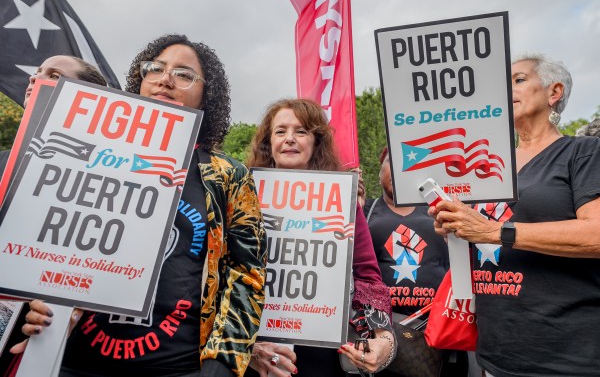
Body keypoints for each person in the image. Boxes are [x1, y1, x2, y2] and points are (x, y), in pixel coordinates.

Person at [14, 34, 267, 377]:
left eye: (183, 74)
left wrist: (223, 362)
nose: (165, 79)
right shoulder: (87, 151)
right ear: (139, 80)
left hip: (179, 368)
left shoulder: (229, 176)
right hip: (74, 361)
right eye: (156, 69)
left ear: (207, 94)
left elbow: (247, 274)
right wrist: (34, 305)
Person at [429, 53, 600, 377]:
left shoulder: (584, 152)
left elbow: (597, 235)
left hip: (566, 358)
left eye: (519, 80)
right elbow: (475, 232)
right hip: (495, 356)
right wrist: (454, 224)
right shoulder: (487, 165)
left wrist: (496, 232)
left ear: (554, 92)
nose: (505, 90)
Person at [245, 98, 395, 377]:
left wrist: (384, 338)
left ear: (316, 142)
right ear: (268, 142)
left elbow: (367, 276)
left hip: (322, 352)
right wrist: (247, 348)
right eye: (280, 131)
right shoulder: (241, 196)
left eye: (301, 131)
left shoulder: (344, 201)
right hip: (256, 348)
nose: (289, 139)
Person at [0, 55, 107, 375]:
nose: (35, 79)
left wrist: (67, 314)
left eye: (54, 75)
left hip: (44, 335)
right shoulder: (4, 160)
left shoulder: (106, 177)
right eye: (36, 73)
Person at [364, 147, 468, 377]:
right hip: (382, 334)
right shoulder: (366, 210)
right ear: (379, 170)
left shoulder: (441, 210)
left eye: (405, 165)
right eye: (391, 162)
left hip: (439, 332)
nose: (397, 170)